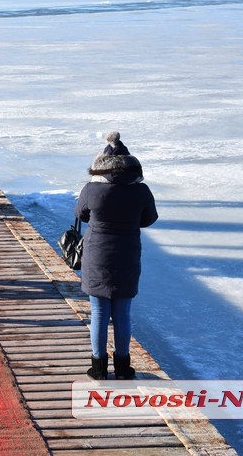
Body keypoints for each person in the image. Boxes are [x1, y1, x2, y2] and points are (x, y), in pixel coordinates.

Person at [75, 152, 158, 380]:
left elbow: (80, 214)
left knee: (99, 313)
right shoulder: (141, 190)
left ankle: (99, 367)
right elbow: (149, 219)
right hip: (128, 254)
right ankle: (123, 367)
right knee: (123, 313)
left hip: (97, 255)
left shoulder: (91, 189)